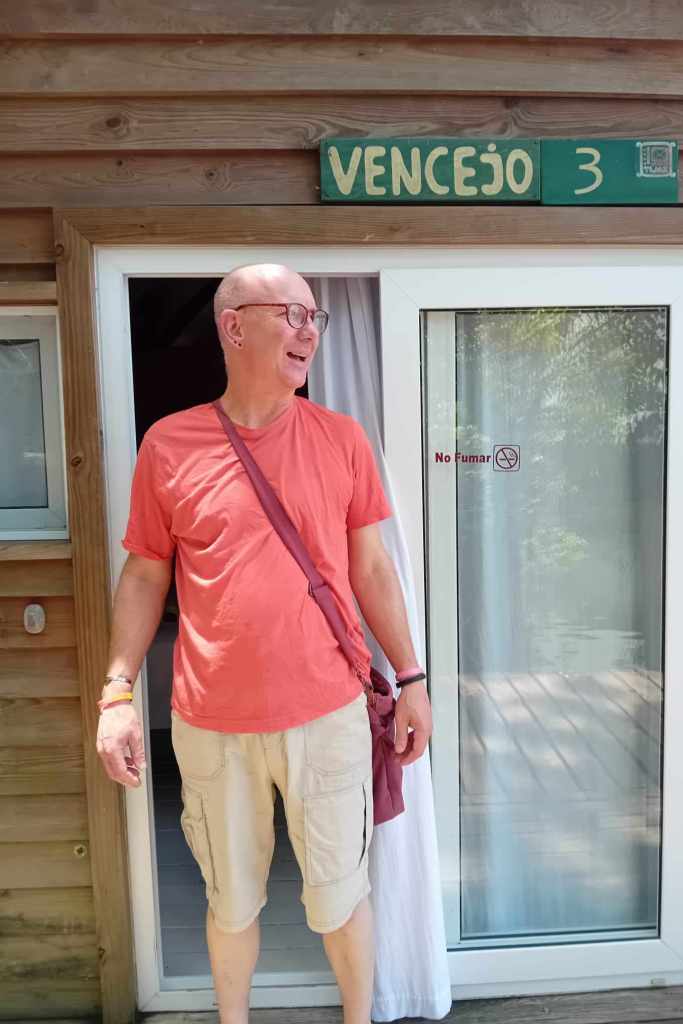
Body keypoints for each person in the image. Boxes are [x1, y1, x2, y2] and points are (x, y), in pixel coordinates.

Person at [95, 263, 433, 1024]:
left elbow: (372, 568)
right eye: (292, 313)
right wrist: (117, 693)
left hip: (329, 713)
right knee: (231, 901)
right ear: (233, 326)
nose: (309, 330)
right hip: (211, 723)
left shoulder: (341, 439)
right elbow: (145, 574)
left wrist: (412, 678)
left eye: (316, 317)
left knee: (341, 897)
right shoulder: (169, 444)